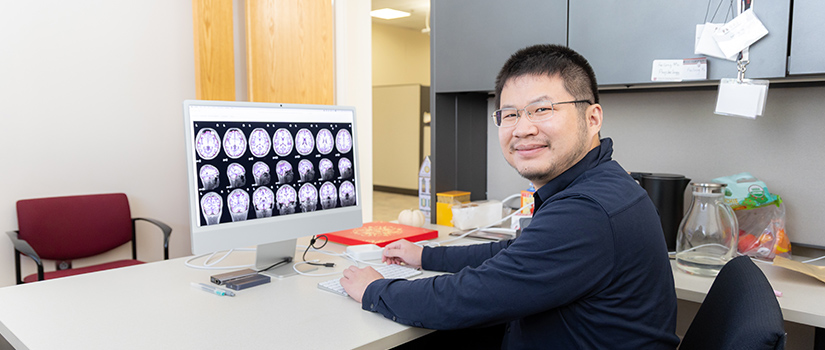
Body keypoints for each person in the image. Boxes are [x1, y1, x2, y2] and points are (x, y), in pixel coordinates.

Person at [340, 44, 680, 349]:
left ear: (592, 118)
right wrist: (426, 257)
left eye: (542, 109)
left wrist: (374, 289)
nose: (522, 129)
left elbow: (470, 298)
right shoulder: (596, 184)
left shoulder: (588, 211)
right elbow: (517, 254)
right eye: (510, 114)